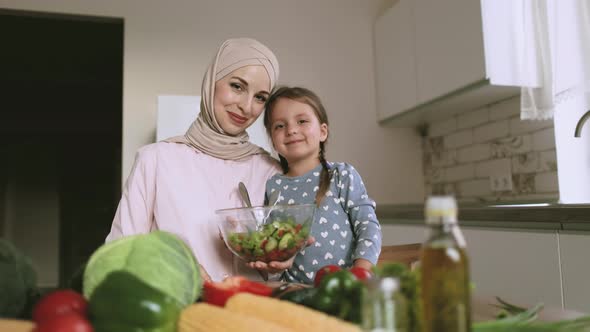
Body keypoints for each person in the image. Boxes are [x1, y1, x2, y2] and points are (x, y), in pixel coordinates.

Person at [105, 38, 281, 282]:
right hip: (177, 310)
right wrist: (176, 268)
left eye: (260, 97)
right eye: (237, 86)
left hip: (251, 312)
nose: (246, 106)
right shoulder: (155, 159)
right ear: (212, 82)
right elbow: (120, 251)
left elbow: (279, 261)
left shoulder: (270, 170)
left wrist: (282, 260)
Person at [252, 86, 382, 284]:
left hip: (347, 286)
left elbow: (368, 226)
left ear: (322, 132)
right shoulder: (271, 185)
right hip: (294, 291)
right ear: (272, 140)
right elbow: (271, 241)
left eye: (302, 121)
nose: (291, 130)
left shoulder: (342, 174)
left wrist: (361, 272)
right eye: (279, 126)